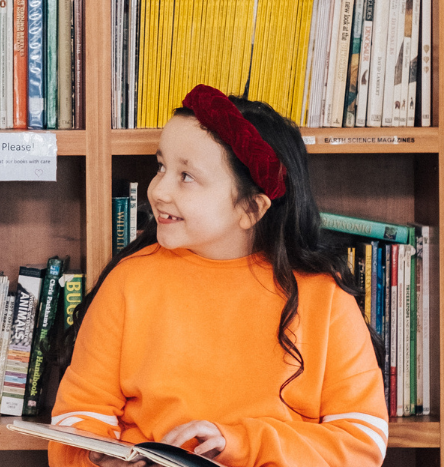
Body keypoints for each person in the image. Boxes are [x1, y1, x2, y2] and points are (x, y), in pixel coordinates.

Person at [51, 85, 387, 467]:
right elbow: (76, 415)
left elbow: (362, 443)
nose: (158, 190)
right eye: (161, 167)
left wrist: (239, 442)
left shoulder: (325, 298)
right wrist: (94, 459)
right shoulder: (129, 281)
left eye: (186, 176)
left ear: (251, 208)